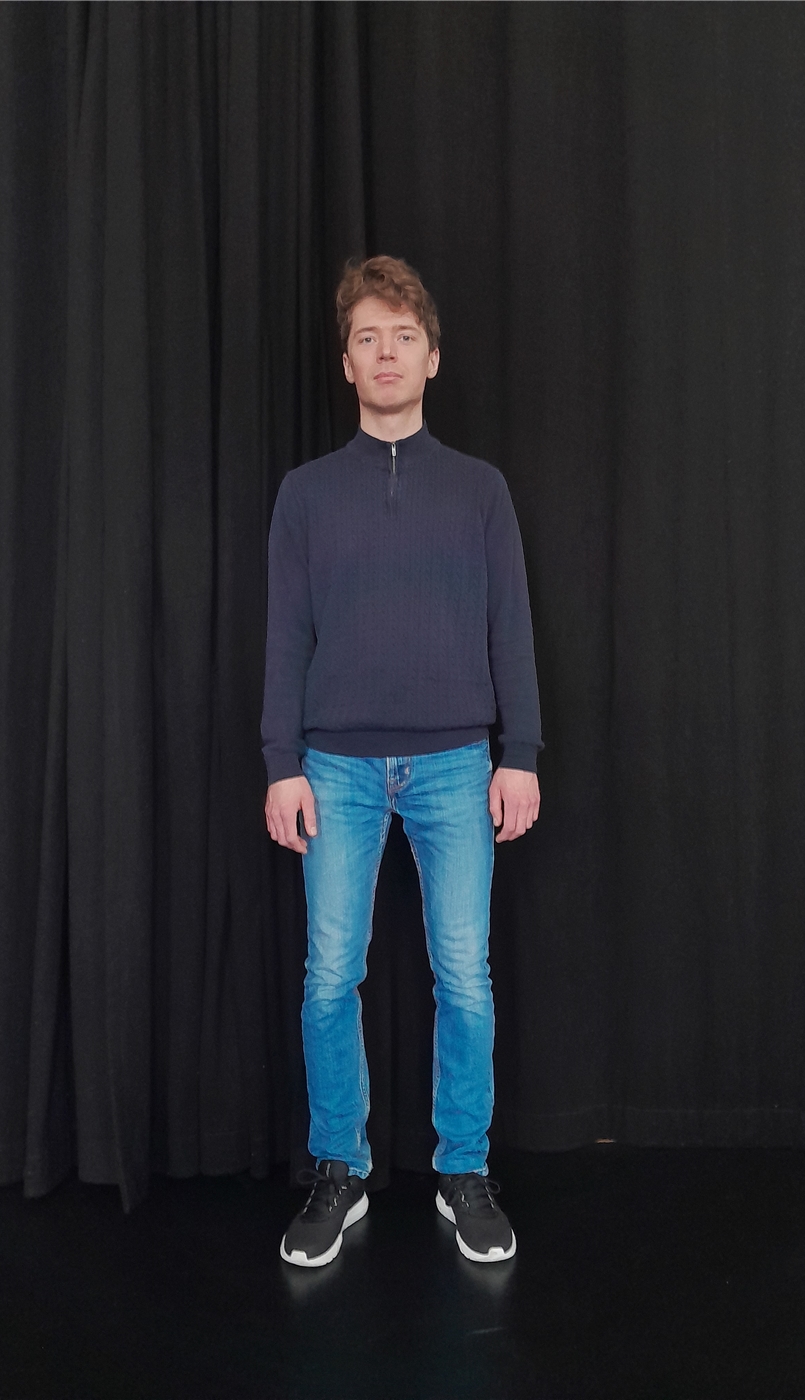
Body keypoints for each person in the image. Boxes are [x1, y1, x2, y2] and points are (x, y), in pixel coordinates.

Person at [261, 255, 542, 1267]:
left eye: (404, 337)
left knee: (463, 976)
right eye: (368, 338)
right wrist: (280, 761)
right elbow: (286, 635)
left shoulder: (480, 490)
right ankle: (339, 1170)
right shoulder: (304, 495)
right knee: (329, 975)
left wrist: (521, 752)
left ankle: (463, 1168)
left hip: (458, 765)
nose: (386, 353)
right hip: (333, 767)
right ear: (346, 363)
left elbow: (510, 626)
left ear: (432, 357)